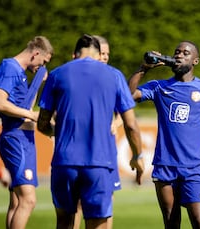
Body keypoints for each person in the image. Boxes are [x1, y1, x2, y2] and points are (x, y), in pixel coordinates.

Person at [37, 34, 144, 229]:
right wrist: (138, 155)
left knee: (64, 223)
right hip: (98, 164)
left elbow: (42, 123)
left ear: (75, 54)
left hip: (64, 164)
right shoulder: (113, 75)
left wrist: (56, 131)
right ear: (97, 54)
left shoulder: (57, 74)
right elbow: (130, 125)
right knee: (97, 224)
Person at [128, 41, 200, 229]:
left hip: (194, 168)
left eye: (185, 53)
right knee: (171, 221)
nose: (179, 56)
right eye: (177, 52)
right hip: (165, 166)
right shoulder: (159, 87)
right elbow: (128, 96)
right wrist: (143, 69)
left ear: (195, 61)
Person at [0, 35, 53, 229]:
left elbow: (25, 105)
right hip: (16, 139)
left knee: (17, 202)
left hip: (24, 139)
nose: (41, 66)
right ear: (35, 53)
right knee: (28, 200)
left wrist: (37, 83)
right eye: (42, 62)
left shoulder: (21, 72)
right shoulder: (10, 68)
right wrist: (31, 115)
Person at [72, 34, 122, 229]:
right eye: (102, 53)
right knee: (76, 203)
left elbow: (124, 113)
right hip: (79, 148)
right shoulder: (74, 77)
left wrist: (115, 125)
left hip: (105, 150)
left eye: (107, 54)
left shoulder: (113, 77)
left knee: (106, 201)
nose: (105, 57)